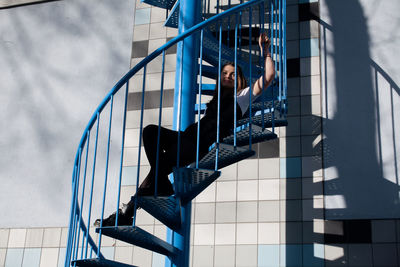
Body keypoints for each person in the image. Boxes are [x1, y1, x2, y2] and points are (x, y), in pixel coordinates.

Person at [95, 33, 275, 227]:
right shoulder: (218, 98)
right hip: (186, 137)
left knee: (159, 168)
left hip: (197, 145)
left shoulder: (242, 98)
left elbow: (268, 76)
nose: (228, 76)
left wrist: (265, 51)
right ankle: (141, 200)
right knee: (150, 134)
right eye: (225, 74)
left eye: (233, 74)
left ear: (240, 81)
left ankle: (125, 213)